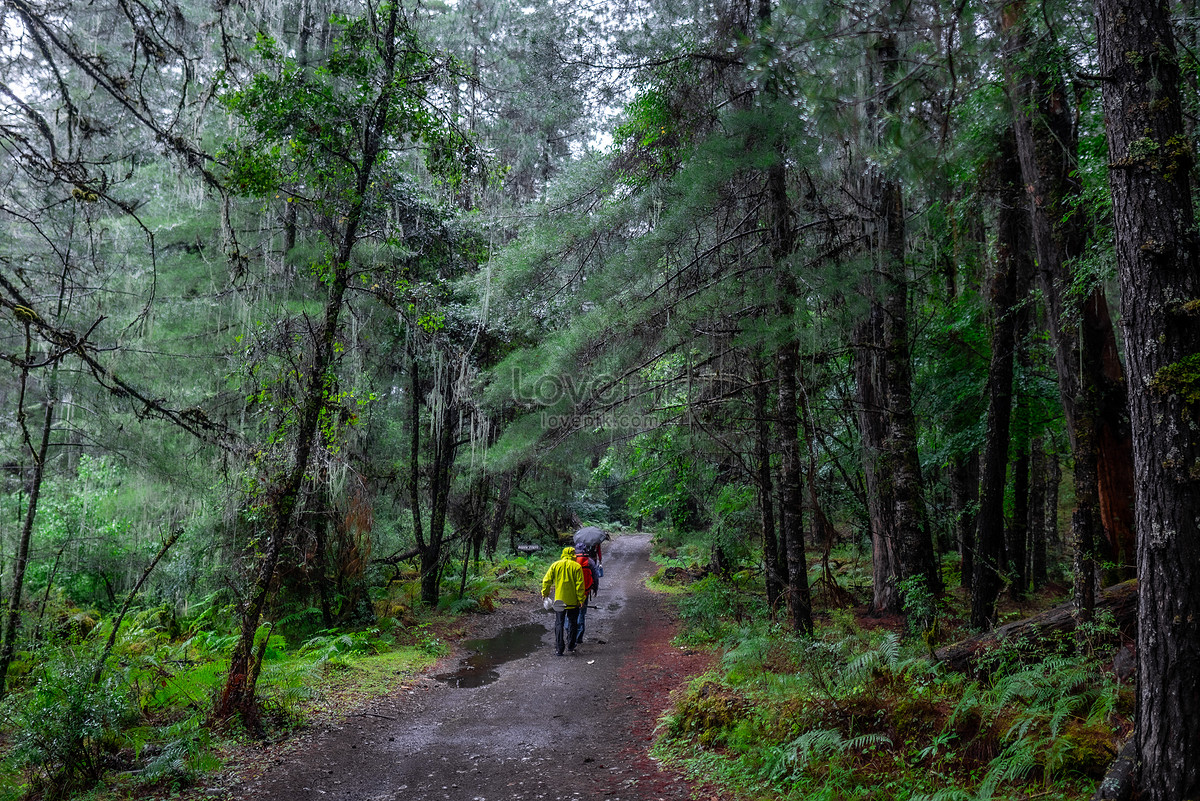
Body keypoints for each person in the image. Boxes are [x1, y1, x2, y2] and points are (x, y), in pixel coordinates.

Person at [542, 546, 586, 655]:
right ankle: (571, 645)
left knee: (559, 623)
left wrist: (545, 593)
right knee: (572, 623)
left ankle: (559, 649)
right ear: (573, 554)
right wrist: (581, 599)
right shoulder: (577, 567)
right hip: (573, 601)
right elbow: (579, 585)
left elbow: (546, 580)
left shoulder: (555, 565)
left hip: (559, 601)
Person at [574, 545, 599, 641]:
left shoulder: (572, 560)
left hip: (572, 591)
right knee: (581, 612)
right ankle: (579, 637)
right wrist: (595, 589)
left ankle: (570, 634)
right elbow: (595, 577)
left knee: (571, 612)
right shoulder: (590, 561)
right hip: (585, 591)